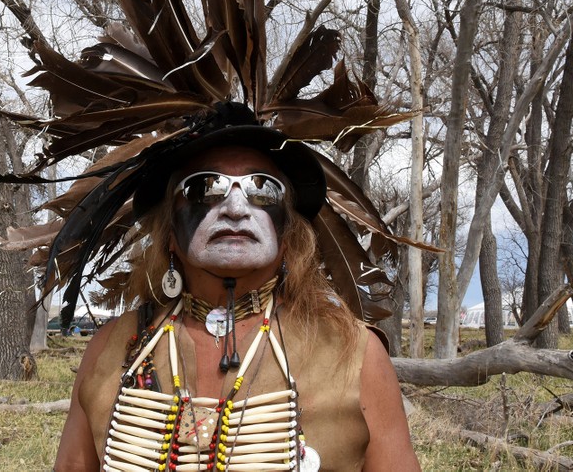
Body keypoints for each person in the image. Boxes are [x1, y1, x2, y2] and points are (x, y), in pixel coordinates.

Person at [53, 120, 420, 471]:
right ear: (170, 234)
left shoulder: (355, 353)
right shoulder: (111, 349)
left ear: (287, 235)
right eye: (205, 188)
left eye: (263, 189)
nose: (236, 208)